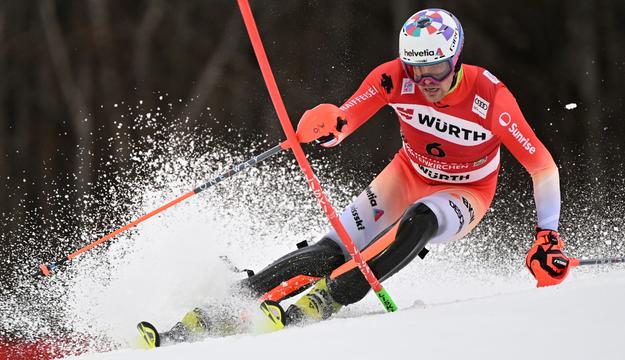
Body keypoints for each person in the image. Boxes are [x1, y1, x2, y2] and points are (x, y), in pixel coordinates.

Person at [137, 8, 570, 348]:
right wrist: (323, 125)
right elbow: (343, 123)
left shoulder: (490, 97)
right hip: (407, 172)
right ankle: (232, 300)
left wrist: (546, 236)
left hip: (466, 191)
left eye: (436, 69)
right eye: (417, 70)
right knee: (328, 251)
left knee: (418, 221)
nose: (426, 81)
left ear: (455, 60)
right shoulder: (393, 77)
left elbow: (542, 166)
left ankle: (333, 296)